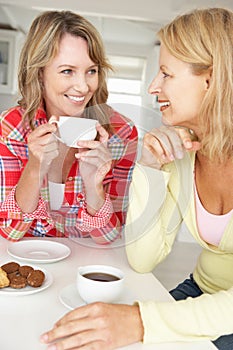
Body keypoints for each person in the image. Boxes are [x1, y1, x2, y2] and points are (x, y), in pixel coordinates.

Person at [40, 7, 233, 350]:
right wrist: (148, 166)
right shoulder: (180, 153)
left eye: (166, 74)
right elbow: (143, 260)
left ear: (211, 79)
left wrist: (141, 321)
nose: (153, 86)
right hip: (199, 292)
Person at [0, 10, 138, 244]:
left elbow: (109, 237)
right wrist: (35, 168)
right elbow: (9, 231)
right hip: (30, 261)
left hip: (87, 265)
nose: (83, 87)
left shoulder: (121, 133)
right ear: (39, 73)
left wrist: (95, 186)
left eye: (91, 71)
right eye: (67, 71)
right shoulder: (11, 128)